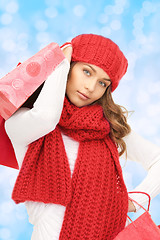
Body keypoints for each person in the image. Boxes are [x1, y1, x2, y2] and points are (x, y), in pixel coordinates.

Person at [5, 33, 160, 240]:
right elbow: (46, 116)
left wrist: (136, 198)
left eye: (103, 83)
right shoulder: (23, 122)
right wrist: (59, 61)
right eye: (87, 72)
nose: (90, 87)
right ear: (69, 67)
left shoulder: (109, 129)